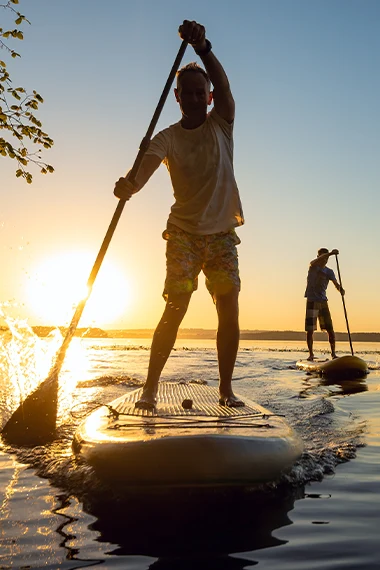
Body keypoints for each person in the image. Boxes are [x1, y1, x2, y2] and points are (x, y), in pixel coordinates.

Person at [114, 20, 245, 409]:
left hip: (222, 233)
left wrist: (203, 48)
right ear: (176, 96)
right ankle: (151, 389)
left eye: (198, 92)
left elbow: (224, 85)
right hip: (184, 234)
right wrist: (129, 186)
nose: (192, 97)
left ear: (208, 97)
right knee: (176, 305)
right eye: (185, 92)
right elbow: (141, 174)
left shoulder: (222, 123)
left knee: (229, 306)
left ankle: (226, 389)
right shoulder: (166, 137)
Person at [304, 248, 345, 361]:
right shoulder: (313, 267)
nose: (325, 260)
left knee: (330, 329)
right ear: (318, 257)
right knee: (310, 330)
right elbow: (312, 262)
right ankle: (311, 354)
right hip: (312, 300)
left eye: (327, 258)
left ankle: (333, 354)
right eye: (323, 257)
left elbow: (336, 284)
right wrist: (331, 253)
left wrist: (340, 289)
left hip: (323, 301)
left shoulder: (329, 271)